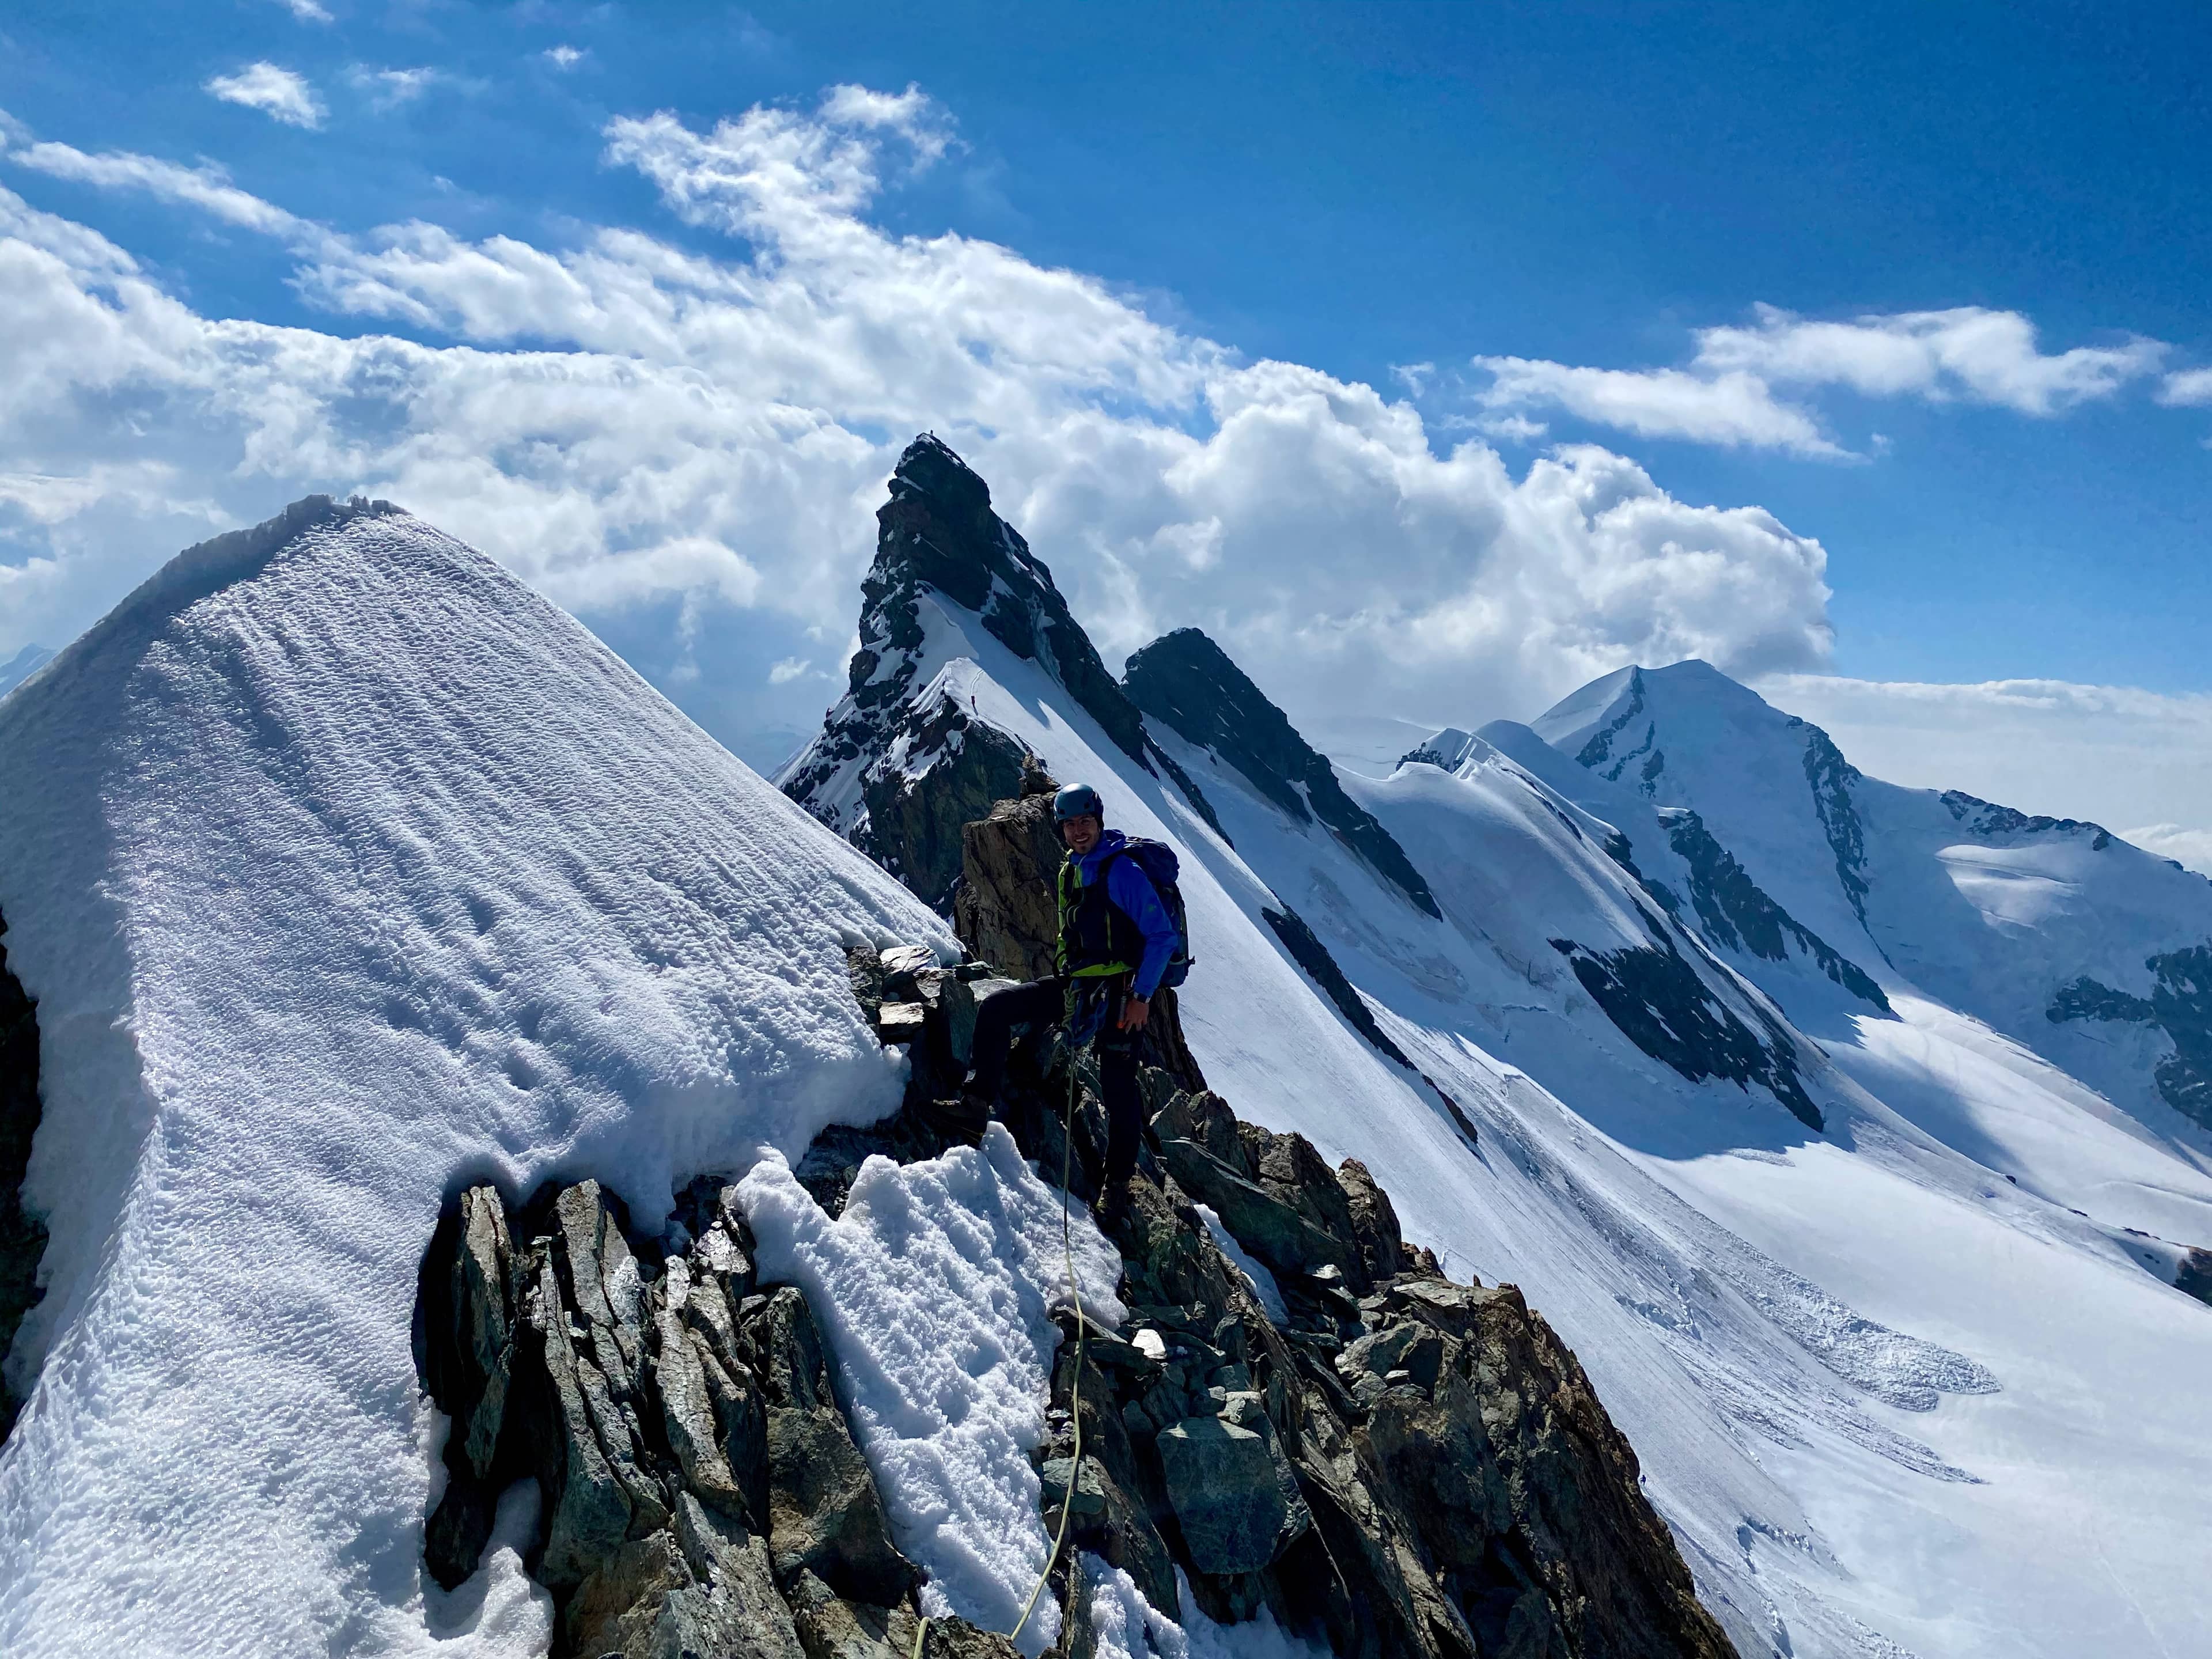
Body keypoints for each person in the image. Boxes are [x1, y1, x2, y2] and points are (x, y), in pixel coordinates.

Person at [959, 783, 1183, 1212]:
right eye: (1070, 824)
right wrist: (1067, 971)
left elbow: (1162, 937)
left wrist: (1141, 996)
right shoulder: (1072, 870)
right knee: (996, 1008)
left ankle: (1117, 1186)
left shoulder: (1121, 872)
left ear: (1099, 821)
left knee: (1119, 1089)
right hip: (1079, 988)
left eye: (1085, 822)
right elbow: (1069, 931)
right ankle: (974, 1105)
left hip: (1122, 996)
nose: (1079, 831)